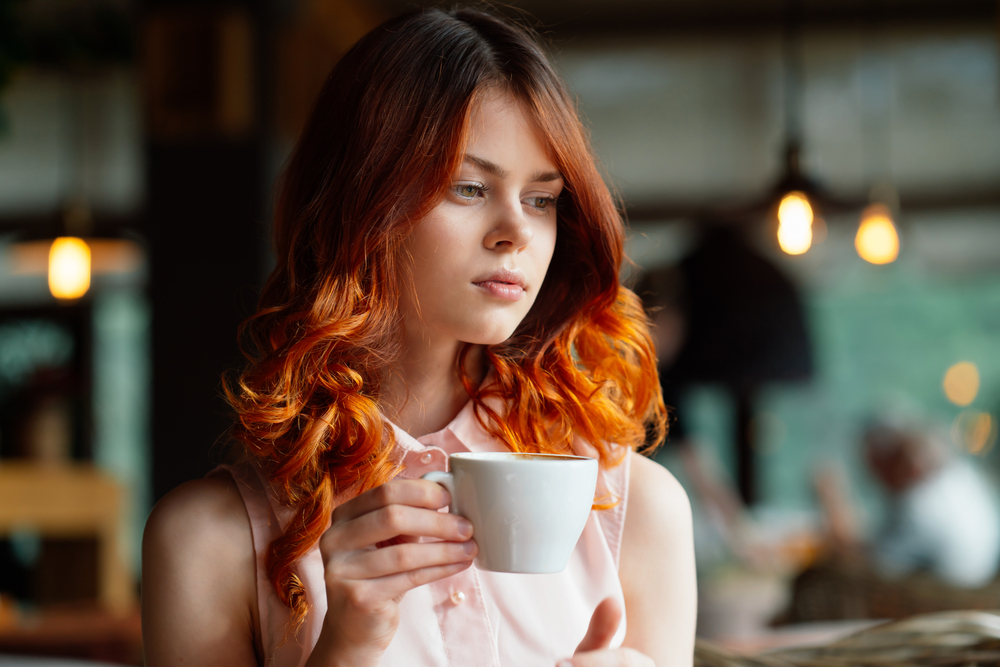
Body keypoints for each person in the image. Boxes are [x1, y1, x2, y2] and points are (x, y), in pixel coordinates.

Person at [141, 7, 696, 667]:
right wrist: (341, 650)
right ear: (359, 204)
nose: (516, 232)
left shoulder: (637, 508)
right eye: (468, 187)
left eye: (541, 199)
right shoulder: (207, 542)